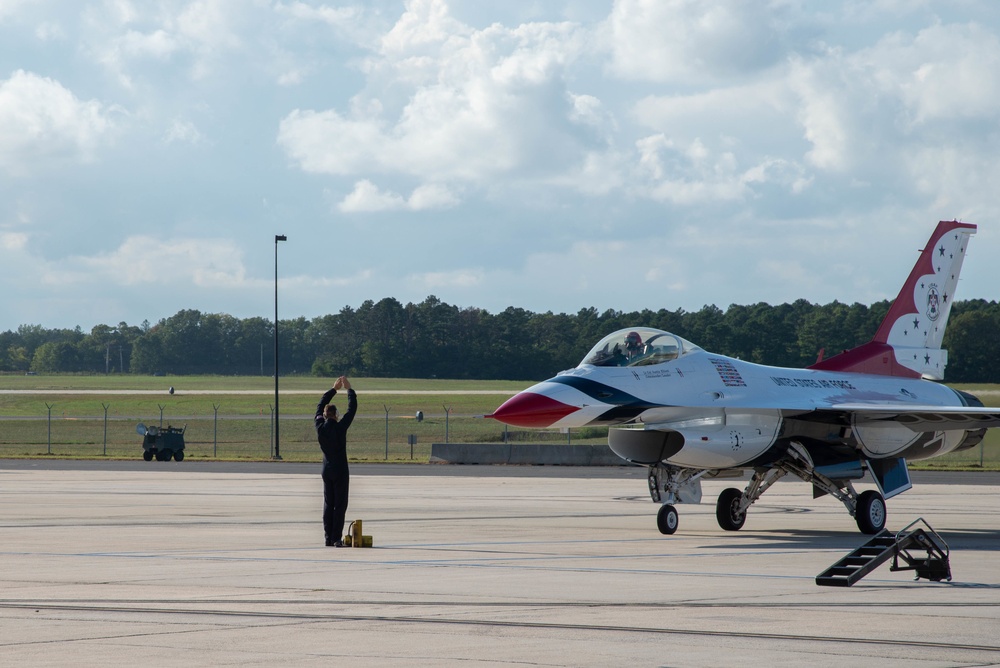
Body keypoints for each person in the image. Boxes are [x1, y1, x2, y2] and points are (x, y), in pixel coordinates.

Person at [314, 375, 357, 547]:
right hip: (340, 470)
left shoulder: (319, 428)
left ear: (325, 415)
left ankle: (327, 537)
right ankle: (336, 537)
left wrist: (333, 389)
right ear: (335, 415)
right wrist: (349, 389)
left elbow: (318, 407)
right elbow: (352, 409)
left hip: (326, 469)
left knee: (328, 503)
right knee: (340, 505)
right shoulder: (340, 427)